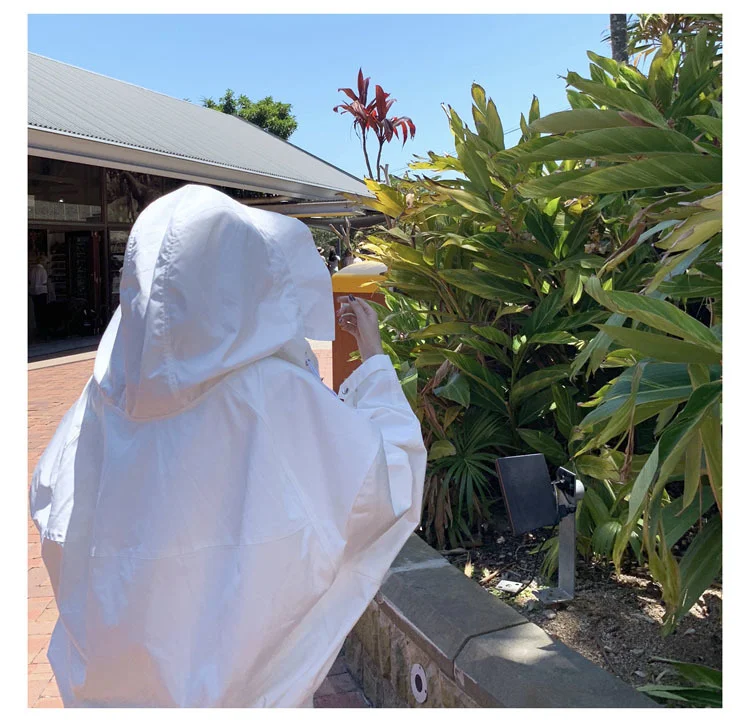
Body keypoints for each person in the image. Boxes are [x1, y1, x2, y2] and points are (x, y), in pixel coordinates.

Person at [29, 184, 426, 708]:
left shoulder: (106, 394)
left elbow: (55, 510)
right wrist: (372, 359)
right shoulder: (269, 391)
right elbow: (385, 479)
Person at [29, 254, 49, 339]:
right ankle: (43, 331)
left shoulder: (32, 269)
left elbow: (30, 280)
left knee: (36, 312)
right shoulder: (43, 270)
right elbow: (44, 281)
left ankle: (38, 329)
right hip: (42, 292)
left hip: (33, 292)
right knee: (43, 312)